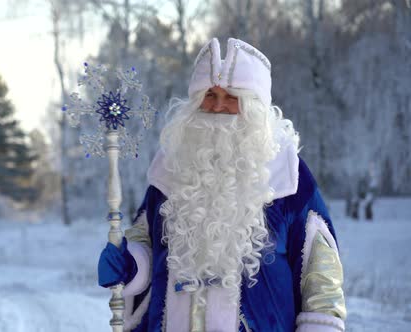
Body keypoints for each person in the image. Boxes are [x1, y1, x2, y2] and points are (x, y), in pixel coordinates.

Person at [98, 38, 346, 332]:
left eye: (231, 96)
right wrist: (131, 265)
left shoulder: (288, 177)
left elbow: (321, 278)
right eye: (209, 94)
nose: (217, 106)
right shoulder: (170, 169)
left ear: (254, 105)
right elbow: (147, 244)